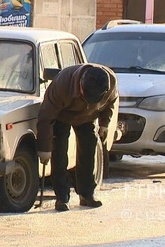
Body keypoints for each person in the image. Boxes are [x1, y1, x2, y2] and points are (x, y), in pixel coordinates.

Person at [36, 63, 118, 211]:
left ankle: (87, 194)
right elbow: (45, 117)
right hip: (62, 115)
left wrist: (104, 124)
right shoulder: (62, 84)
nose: (88, 100)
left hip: (88, 117)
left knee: (88, 150)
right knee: (59, 152)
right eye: (86, 96)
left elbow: (110, 102)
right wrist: (44, 148)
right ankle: (62, 197)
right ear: (81, 84)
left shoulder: (110, 81)